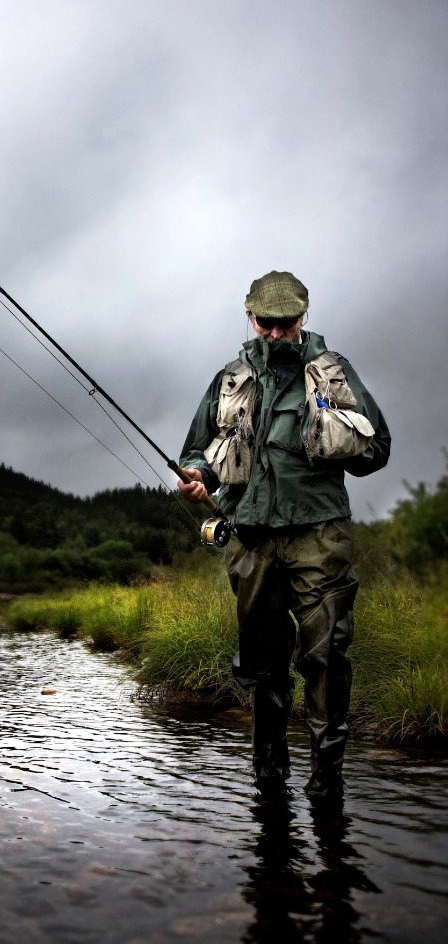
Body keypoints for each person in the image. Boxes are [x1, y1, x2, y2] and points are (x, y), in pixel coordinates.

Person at [177, 271, 390, 797]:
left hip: (320, 536)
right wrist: (197, 478)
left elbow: (378, 449)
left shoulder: (333, 372)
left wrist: (340, 435)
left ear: (303, 317)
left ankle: (327, 784)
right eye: (266, 323)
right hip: (250, 540)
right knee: (264, 664)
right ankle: (269, 781)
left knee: (326, 657)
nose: (275, 334)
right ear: (250, 317)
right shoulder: (228, 379)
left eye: (286, 323)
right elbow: (196, 452)